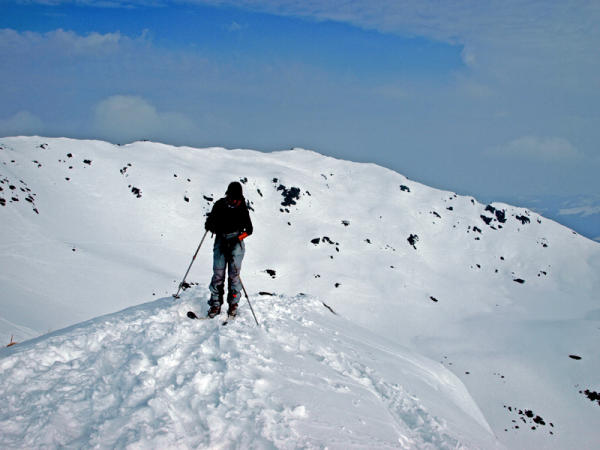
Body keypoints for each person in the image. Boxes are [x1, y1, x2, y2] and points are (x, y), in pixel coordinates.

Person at [204, 181, 253, 318]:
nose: (234, 201)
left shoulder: (242, 208)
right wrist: (210, 225)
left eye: (237, 199)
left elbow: (249, 230)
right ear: (228, 195)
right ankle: (215, 304)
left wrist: (237, 239)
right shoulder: (219, 205)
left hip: (236, 242)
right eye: (232, 198)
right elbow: (211, 222)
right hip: (221, 239)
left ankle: (233, 304)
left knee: (234, 275)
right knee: (218, 274)